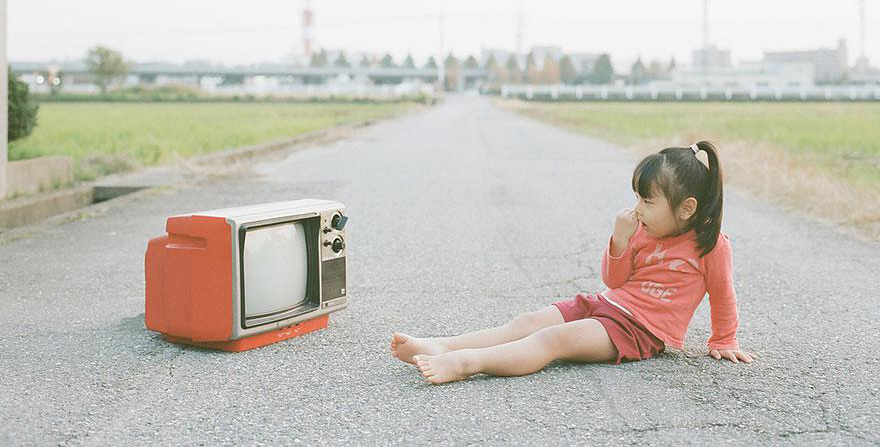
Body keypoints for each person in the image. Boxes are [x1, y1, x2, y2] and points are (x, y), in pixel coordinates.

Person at [391, 140, 756, 384]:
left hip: (636, 330)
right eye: (638, 198)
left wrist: (724, 339)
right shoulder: (643, 231)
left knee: (553, 339)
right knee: (529, 321)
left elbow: (723, 296)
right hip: (606, 304)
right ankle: (444, 345)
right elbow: (615, 282)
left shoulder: (710, 247)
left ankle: (467, 364)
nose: (638, 208)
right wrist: (620, 240)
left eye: (648, 201)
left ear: (687, 208)